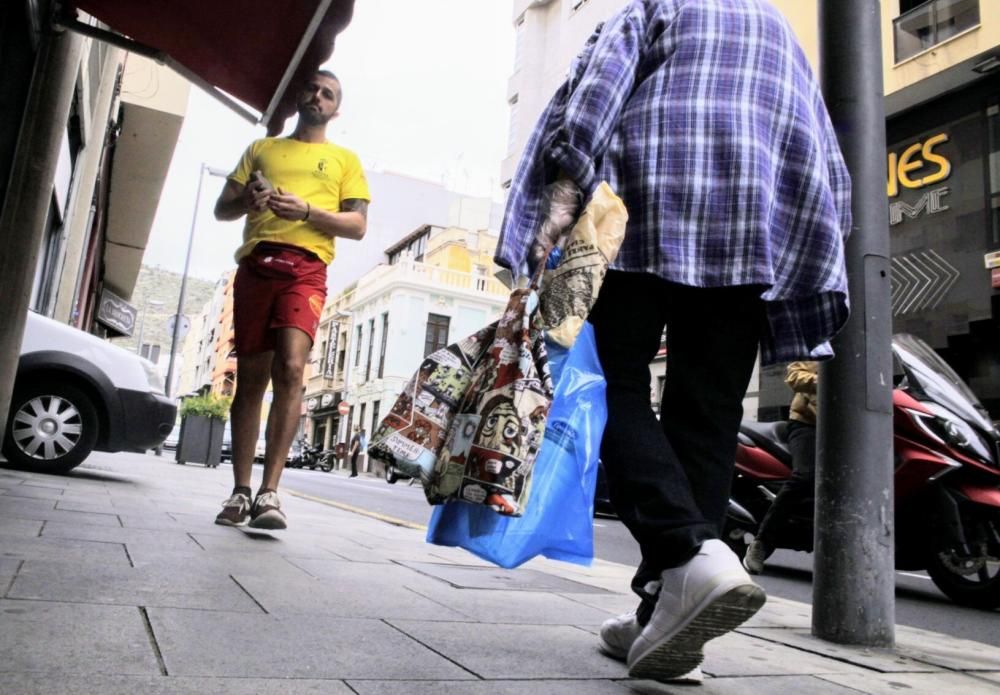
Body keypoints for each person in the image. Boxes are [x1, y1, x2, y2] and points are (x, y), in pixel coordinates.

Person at [495, 0, 851, 683]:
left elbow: (598, 91)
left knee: (601, 379)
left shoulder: (659, 5)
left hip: (644, 202)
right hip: (755, 221)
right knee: (709, 415)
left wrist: (561, 199)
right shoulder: (779, 28)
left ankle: (689, 554)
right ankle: (665, 603)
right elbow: (823, 150)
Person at [212, 70, 370, 530]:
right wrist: (251, 201)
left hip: (306, 269)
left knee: (293, 369)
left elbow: (357, 226)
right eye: (313, 89)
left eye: (329, 94)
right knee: (251, 378)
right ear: (299, 95)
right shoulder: (261, 149)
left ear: (335, 110)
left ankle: (270, 493)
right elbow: (223, 207)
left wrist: (307, 211)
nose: (318, 97)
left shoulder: (345, 160)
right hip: (257, 265)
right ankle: (241, 490)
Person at [743, 361, 819, 574]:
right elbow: (794, 374)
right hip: (807, 424)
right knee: (805, 477)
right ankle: (762, 544)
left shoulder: (863, 351)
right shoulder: (818, 344)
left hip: (845, 427)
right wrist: (826, 382)